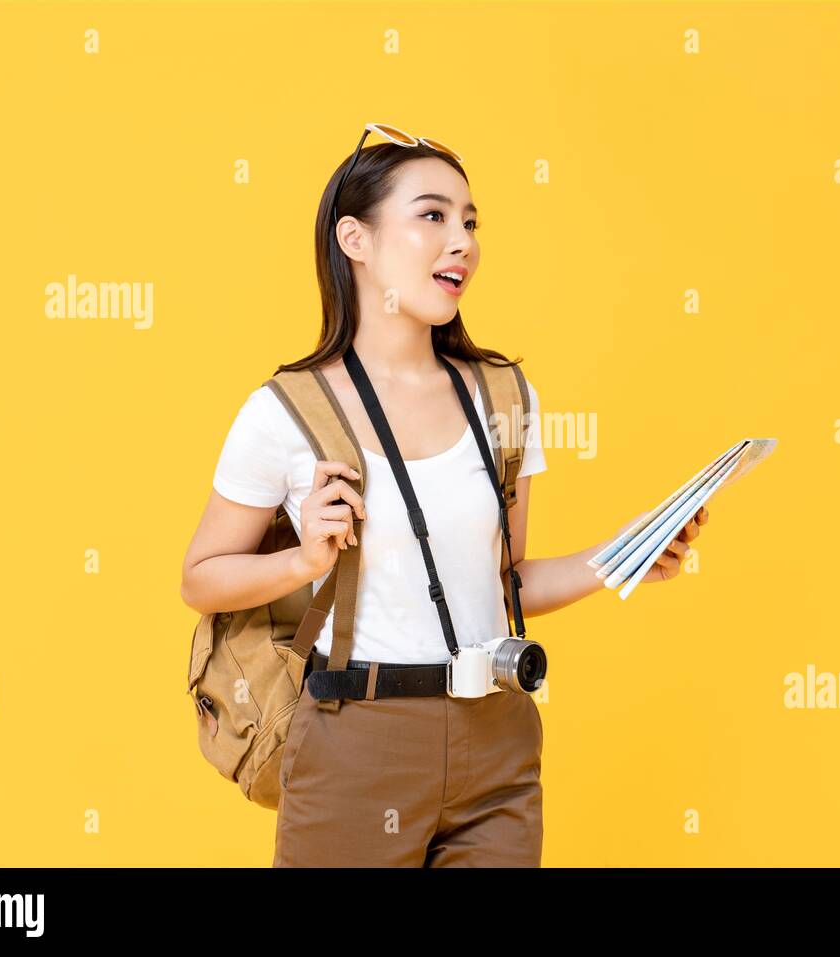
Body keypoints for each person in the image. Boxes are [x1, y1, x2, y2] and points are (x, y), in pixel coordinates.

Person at [179, 124, 709, 867]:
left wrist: (622, 555)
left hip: (498, 737)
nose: (461, 240)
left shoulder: (505, 395)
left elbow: (504, 581)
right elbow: (201, 576)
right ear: (355, 240)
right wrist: (303, 559)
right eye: (432, 215)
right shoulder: (286, 410)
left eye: (469, 222)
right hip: (355, 740)